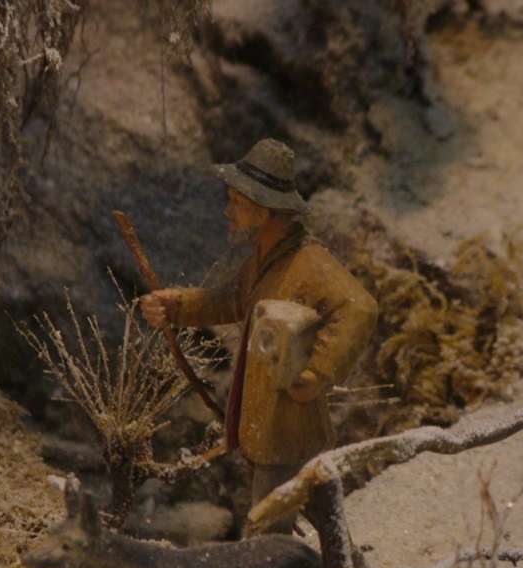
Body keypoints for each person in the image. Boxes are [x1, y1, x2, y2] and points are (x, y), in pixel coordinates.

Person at [141, 139, 377, 533]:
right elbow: (228, 301)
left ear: (264, 211)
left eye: (237, 202)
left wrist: (316, 374)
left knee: (266, 540)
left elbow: (360, 308)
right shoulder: (265, 261)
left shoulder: (309, 262)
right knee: (327, 526)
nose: (227, 211)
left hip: (286, 437)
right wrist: (175, 305)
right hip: (276, 432)